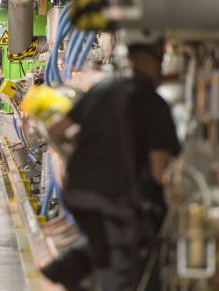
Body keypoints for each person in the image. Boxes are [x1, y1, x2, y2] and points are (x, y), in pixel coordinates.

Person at [36, 40, 181, 291]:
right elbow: (159, 173)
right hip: (109, 197)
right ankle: (82, 272)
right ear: (153, 63)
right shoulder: (154, 103)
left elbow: (53, 130)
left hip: (76, 189)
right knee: (126, 257)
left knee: (103, 240)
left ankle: (68, 268)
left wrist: (81, 149)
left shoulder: (103, 89)